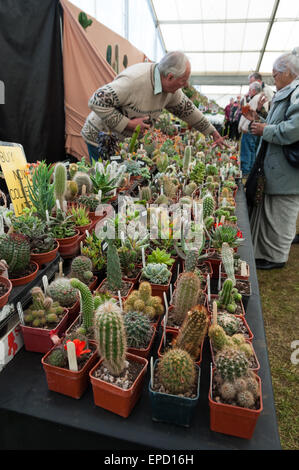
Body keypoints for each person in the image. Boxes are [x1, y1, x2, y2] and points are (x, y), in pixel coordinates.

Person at [81, 51, 227, 161]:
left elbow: (188, 111)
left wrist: (213, 133)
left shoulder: (172, 91)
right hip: (100, 136)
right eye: (183, 80)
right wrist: (129, 124)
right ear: (170, 77)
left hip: (121, 142)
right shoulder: (135, 80)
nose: (186, 85)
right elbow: (96, 100)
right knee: (106, 185)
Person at [245, 47, 299, 270]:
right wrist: (261, 118)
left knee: (281, 215)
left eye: (275, 75)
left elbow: (294, 128)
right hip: (279, 168)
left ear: (287, 72)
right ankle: (267, 253)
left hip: (286, 169)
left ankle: (277, 257)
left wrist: (265, 130)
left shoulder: (296, 90)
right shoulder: (290, 90)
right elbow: (282, 121)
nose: (273, 80)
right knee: (272, 213)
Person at [238, 81, 263, 176]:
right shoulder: (258, 98)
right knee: (252, 149)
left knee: (247, 149)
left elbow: (248, 115)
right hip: (255, 128)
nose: (249, 92)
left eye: (249, 90)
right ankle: (250, 169)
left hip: (249, 128)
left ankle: (245, 170)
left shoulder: (255, 99)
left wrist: (244, 127)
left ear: (253, 90)